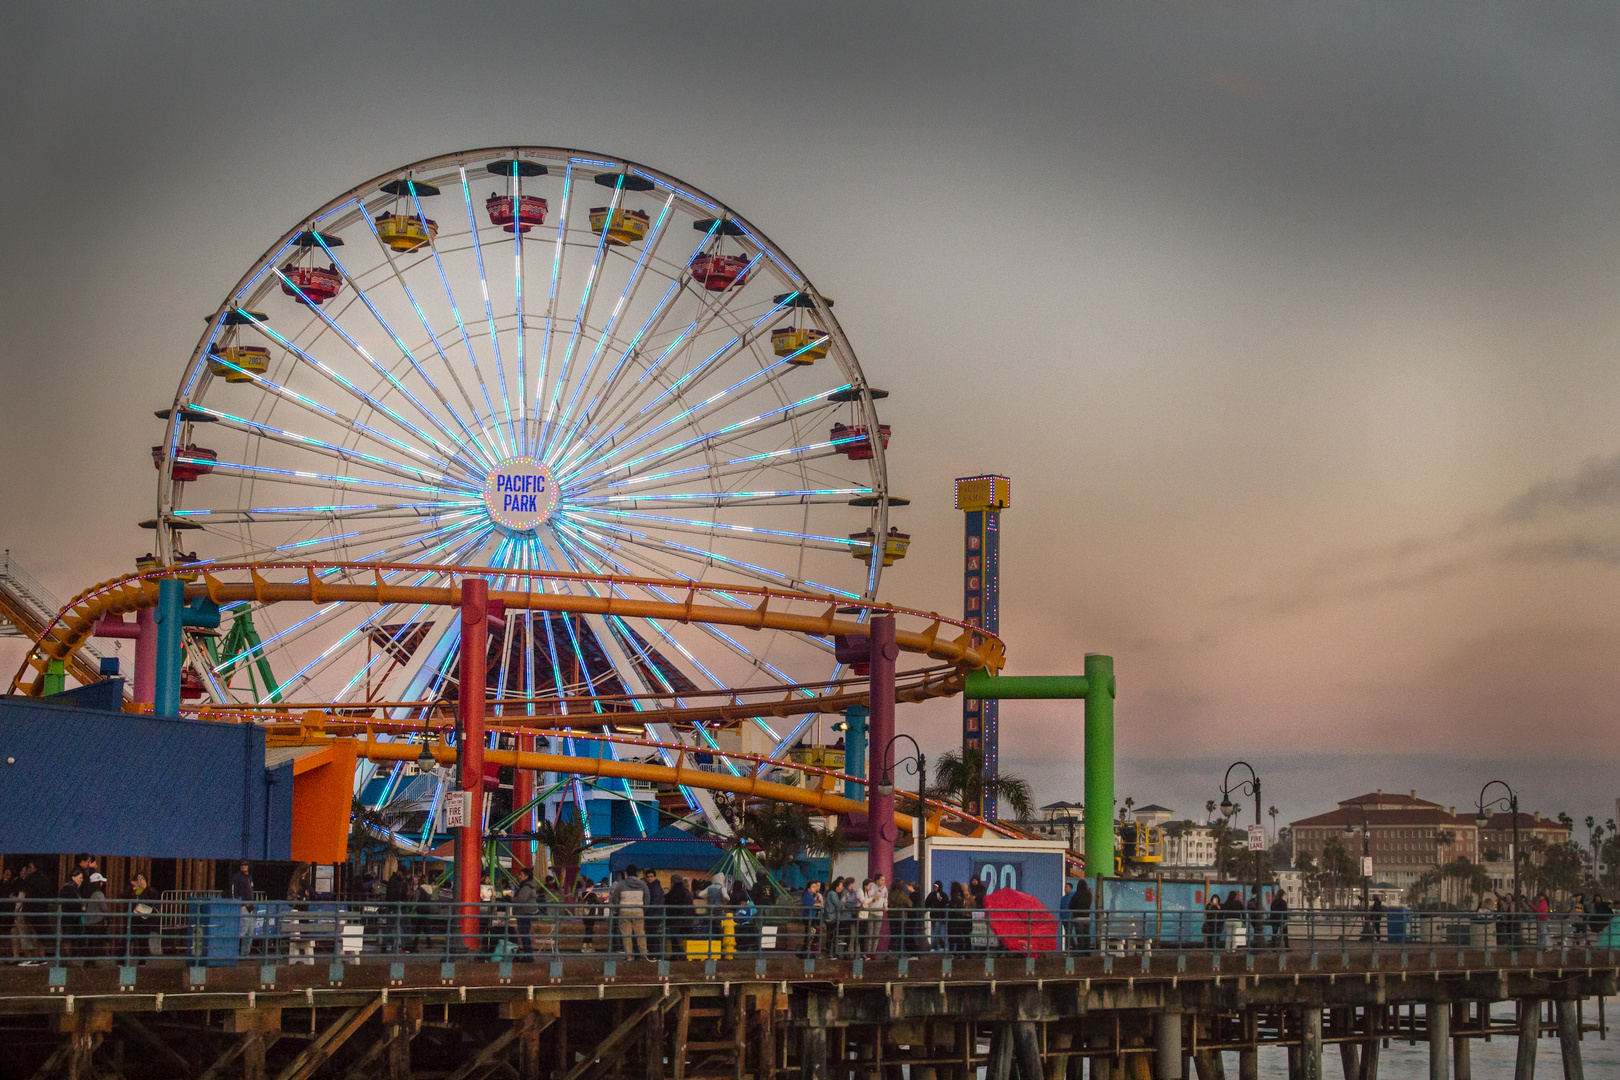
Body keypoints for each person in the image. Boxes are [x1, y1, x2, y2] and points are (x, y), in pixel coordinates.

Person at [611, 864, 650, 960]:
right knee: (640, 933)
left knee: (626, 935)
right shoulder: (642, 884)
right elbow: (647, 899)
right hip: (638, 911)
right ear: (636, 873)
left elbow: (615, 899)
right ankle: (643, 954)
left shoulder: (621, 884)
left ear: (627, 873)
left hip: (624, 911)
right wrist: (642, 909)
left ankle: (629, 956)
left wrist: (618, 910)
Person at [57, 869, 85, 960]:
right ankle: (67, 957)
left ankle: (69, 957)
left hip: (73, 917)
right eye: (80, 877)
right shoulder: (70, 888)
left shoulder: (74, 888)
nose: (81, 879)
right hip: (70, 917)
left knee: (70, 938)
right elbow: (70, 903)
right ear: (73, 877)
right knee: (68, 938)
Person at [665, 875, 695, 957]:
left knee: (675, 938)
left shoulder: (674, 892)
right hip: (687, 920)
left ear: (672, 882)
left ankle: (678, 955)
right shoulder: (686, 892)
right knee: (682, 939)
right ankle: (681, 955)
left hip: (677, 920)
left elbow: (670, 904)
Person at [513, 868, 539, 962]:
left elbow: (522, 899)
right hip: (527, 912)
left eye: (521, 875)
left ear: (526, 876)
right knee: (524, 933)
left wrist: (511, 899)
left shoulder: (526, 887)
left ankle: (528, 955)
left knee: (524, 933)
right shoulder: (528, 885)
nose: (519, 876)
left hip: (524, 912)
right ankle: (528, 954)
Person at [230, 861, 255, 956]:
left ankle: (245, 954)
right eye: (241, 865)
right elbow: (233, 891)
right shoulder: (237, 877)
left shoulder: (249, 877)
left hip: (251, 907)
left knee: (250, 933)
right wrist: (239, 905)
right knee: (242, 931)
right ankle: (233, 953)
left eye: (245, 865)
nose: (243, 866)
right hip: (243, 907)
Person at [643, 869, 667, 959]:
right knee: (653, 935)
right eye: (648, 877)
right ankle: (655, 954)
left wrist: (647, 912)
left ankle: (653, 954)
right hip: (656, 914)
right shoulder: (655, 886)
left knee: (652, 935)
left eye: (651, 876)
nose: (650, 878)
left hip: (653, 915)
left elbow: (654, 902)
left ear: (654, 877)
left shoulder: (653, 887)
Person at [1068, 878, 1093, 954]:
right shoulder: (1089, 894)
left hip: (1078, 917)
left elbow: (1070, 905)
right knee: (1086, 934)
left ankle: (1081, 951)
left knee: (1080, 935)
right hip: (1087, 917)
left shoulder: (1077, 894)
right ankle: (1087, 951)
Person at [888, 880, 914, 955]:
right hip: (901, 916)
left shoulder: (890, 894)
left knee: (893, 934)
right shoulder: (902, 895)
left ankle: (891, 950)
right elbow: (909, 904)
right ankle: (900, 952)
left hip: (892, 916)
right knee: (900, 935)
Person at [576, 877, 602, 953]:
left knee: (588, 930)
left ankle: (590, 946)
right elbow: (598, 903)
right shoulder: (593, 895)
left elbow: (578, 901)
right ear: (591, 886)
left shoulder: (582, 894)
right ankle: (584, 947)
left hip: (584, 915)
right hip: (591, 915)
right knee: (589, 931)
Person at [799, 880, 823, 957]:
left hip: (811, 916)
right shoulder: (807, 894)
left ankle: (805, 950)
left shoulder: (811, 895)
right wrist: (816, 904)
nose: (815, 888)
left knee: (811, 934)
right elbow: (807, 904)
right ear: (809, 888)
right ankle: (806, 951)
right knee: (811, 933)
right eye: (813, 887)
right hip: (808, 917)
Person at [925, 881, 950, 952]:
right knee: (937, 932)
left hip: (940, 916)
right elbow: (927, 903)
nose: (935, 888)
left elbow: (946, 903)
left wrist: (942, 901)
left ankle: (934, 947)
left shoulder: (943, 895)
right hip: (933, 915)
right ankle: (943, 946)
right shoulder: (931, 895)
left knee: (936, 931)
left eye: (936, 887)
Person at [823, 878, 845, 957]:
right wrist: (843, 899)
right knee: (831, 935)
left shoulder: (831, 893)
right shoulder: (833, 894)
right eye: (841, 886)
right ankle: (830, 952)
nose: (842, 888)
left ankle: (831, 952)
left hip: (831, 916)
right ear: (837, 886)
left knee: (832, 935)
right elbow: (838, 905)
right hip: (831, 917)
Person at [948, 882, 971, 954]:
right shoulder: (960, 898)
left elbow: (953, 909)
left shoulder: (954, 898)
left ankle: (953, 952)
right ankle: (960, 953)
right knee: (960, 938)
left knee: (953, 937)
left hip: (953, 921)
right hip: (960, 920)